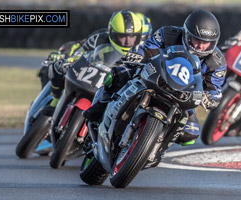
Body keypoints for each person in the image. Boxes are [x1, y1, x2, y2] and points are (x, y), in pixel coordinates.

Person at [83, 9, 227, 146]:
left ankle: (157, 147)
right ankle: (98, 109)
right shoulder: (168, 33)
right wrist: (139, 54)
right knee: (119, 74)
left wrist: (210, 97)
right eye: (197, 40)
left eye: (206, 42)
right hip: (156, 75)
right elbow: (148, 47)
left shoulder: (217, 62)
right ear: (187, 34)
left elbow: (214, 87)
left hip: (184, 94)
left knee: (190, 134)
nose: (201, 46)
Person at [41, 9, 143, 117]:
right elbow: (80, 53)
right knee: (57, 67)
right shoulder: (98, 39)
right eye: (122, 36)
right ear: (112, 33)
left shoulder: (140, 50)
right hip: (92, 74)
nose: (127, 41)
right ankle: (56, 101)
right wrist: (69, 61)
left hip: (113, 85)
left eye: (132, 36)